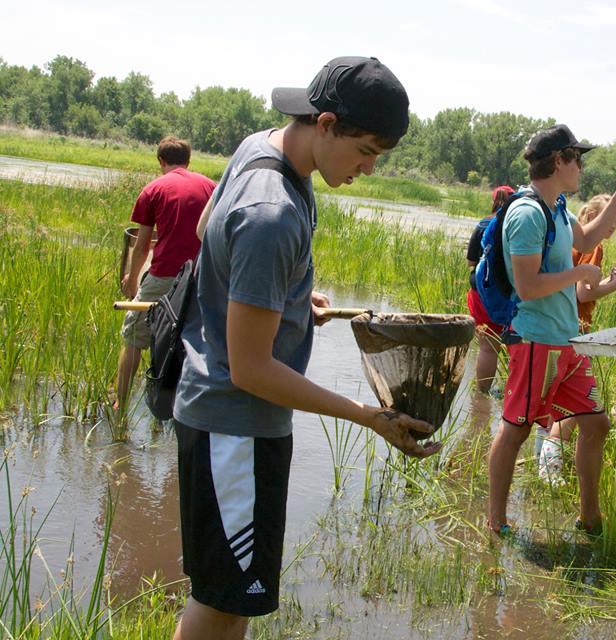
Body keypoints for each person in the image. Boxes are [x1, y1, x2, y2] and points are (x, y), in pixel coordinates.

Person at [170, 57, 440, 640]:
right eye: (366, 150)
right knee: (219, 600)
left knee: (236, 599)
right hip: (233, 427)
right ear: (324, 123)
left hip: (232, 425)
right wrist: (368, 416)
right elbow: (250, 368)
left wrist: (282, 297)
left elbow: (205, 235)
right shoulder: (274, 212)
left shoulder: (261, 148)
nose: (369, 168)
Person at [486, 124, 616, 536]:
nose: (581, 168)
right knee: (515, 429)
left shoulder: (557, 208)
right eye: (578, 158)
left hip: (566, 342)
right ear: (559, 160)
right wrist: (579, 271)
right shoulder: (526, 213)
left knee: (596, 424)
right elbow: (528, 285)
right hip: (535, 341)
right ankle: (496, 523)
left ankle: (590, 518)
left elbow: (589, 234)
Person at [114, 136, 216, 412]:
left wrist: (132, 281)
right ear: (188, 160)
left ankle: (119, 405)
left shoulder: (153, 189)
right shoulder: (211, 187)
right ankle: (183, 407)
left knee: (133, 336)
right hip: (199, 278)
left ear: (160, 161)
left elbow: (142, 244)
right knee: (190, 341)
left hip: (165, 276)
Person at [537, 193, 616, 483]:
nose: (613, 225)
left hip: (553, 325)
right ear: (591, 218)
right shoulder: (594, 247)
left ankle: (542, 462)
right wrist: (615, 285)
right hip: (575, 329)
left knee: (551, 400)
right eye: (609, 219)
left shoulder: (566, 237)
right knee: (577, 406)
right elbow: (583, 292)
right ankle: (550, 472)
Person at [466, 185, 515, 394]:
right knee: (517, 348)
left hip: (482, 292)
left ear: (493, 201)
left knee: (487, 347)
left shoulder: (483, 224)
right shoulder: (518, 224)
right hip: (512, 293)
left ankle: (481, 396)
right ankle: (513, 395)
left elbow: (471, 262)